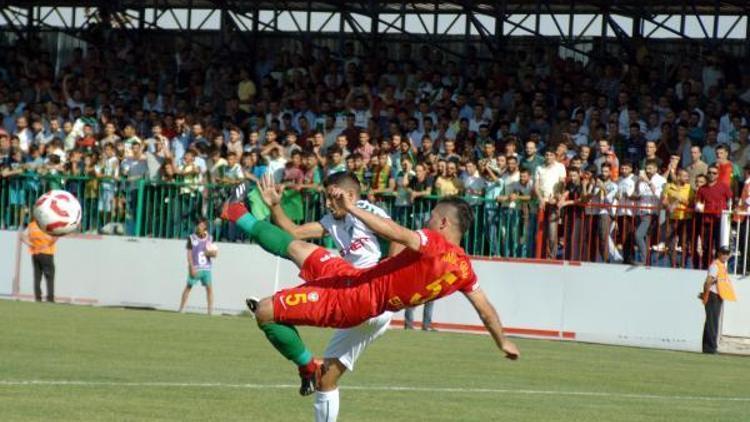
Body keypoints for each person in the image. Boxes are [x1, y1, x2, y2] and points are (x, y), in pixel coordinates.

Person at [220, 176, 520, 399]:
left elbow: (396, 232)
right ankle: (234, 211)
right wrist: (501, 341)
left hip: (355, 298)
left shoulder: (434, 242)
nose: (426, 220)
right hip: (356, 278)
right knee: (297, 247)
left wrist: (352, 207)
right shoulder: (464, 269)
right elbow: (485, 310)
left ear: (442, 223)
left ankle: (307, 366)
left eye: (431, 216)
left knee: (264, 311)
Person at [259, 171, 396, 422]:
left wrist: (386, 279)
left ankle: (282, 316)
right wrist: (276, 206)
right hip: (353, 299)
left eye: (332, 197)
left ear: (351, 195)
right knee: (326, 379)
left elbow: (397, 236)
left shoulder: (368, 210)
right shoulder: (331, 220)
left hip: (373, 299)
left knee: (273, 310)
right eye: (326, 198)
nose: (328, 203)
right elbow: (295, 231)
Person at [699, 246, 737, 354]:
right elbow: (708, 281)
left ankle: (708, 348)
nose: (725, 255)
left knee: (711, 322)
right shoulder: (715, 266)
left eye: (727, 253)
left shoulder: (721, 266)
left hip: (717, 296)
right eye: (723, 253)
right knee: (712, 323)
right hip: (713, 296)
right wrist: (705, 294)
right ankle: (710, 348)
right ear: (718, 253)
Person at [178, 219, 217, 315]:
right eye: (198, 225)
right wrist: (191, 267)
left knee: (209, 288)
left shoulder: (210, 238)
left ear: (205, 227)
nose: (198, 227)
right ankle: (181, 309)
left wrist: (209, 253)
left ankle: (210, 311)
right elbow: (189, 254)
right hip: (196, 267)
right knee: (188, 286)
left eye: (201, 225)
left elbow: (214, 254)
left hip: (206, 268)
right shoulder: (191, 238)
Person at [20, 219, 58, 302]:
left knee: (37, 277)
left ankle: (38, 298)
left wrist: (31, 244)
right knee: (49, 277)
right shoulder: (48, 224)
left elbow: (22, 236)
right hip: (47, 253)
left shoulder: (31, 225)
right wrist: (47, 245)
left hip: (35, 254)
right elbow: (56, 236)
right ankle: (50, 298)